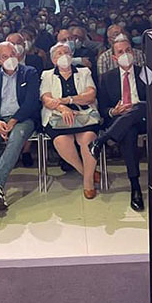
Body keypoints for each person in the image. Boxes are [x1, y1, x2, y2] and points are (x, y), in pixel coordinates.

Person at [0, 42, 40, 210]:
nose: (10, 58)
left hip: (22, 118)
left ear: (17, 55)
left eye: (12, 54)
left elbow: (31, 102)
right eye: (5, 56)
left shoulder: (30, 73)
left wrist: (14, 120)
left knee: (17, 136)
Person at [90, 38, 146, 211]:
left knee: (140, 106)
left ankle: (101, 140)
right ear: (114, 58)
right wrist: (114, 111)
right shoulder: (107, 78)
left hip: (144, 118)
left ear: (133, 53)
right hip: (120, 121)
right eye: (120, 52)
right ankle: (135, 186)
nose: (125, 54)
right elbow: (103, 108)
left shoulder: (145, 72)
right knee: (128, 132)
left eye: (128, 50)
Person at [40, 43, 101, 199]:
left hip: (84, 116)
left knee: (87, 139)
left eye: (66, 52)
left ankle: (88, 182)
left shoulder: (84, 71)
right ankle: (86, 172)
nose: (64, 56)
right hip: (58, 117)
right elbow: (46, 99)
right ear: (54, 60)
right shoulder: (47, 75)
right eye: (59, 53)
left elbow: (90, 96)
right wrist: (63, 108)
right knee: (62, 141)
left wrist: (68, 100)